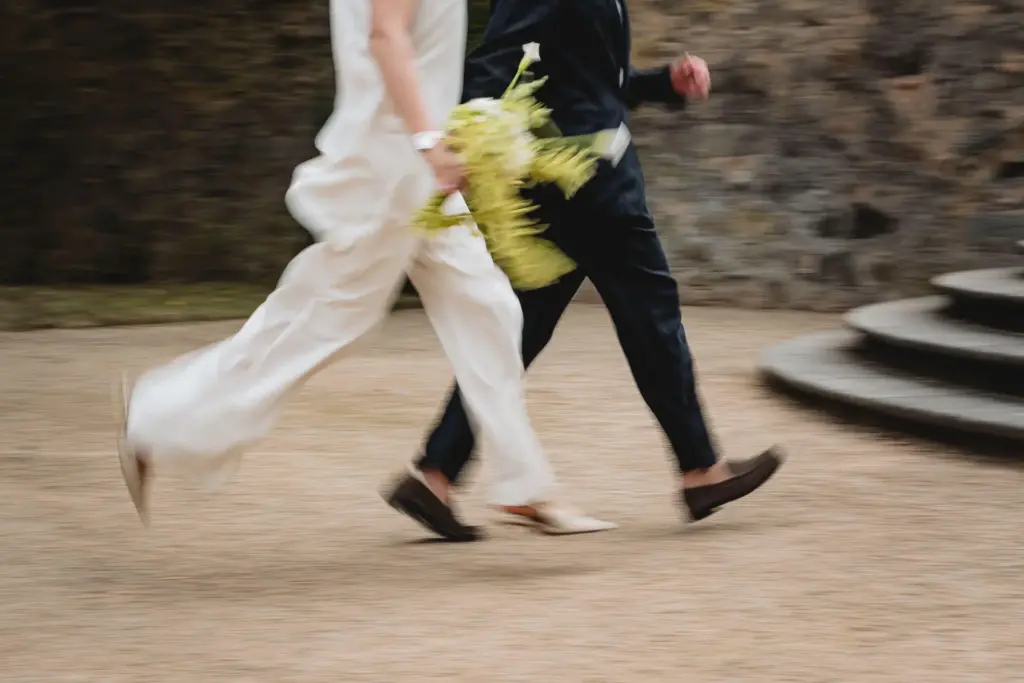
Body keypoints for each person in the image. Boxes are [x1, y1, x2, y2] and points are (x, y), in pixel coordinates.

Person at [115, 0, 614, 541]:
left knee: (488, 309)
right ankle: (157, 421)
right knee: (328, 320)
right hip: (391, 171)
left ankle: (525, 488)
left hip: (413, 170)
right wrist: (429, 143)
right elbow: (385, 37)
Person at [389, 0, 784, 536]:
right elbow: (494, 64)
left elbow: (596, 81)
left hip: (575, 183)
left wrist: (666, 83)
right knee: (652, 318)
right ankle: (700, 469)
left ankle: (435, 475)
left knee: (518, 333)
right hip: (585, 187)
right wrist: (462, 149)